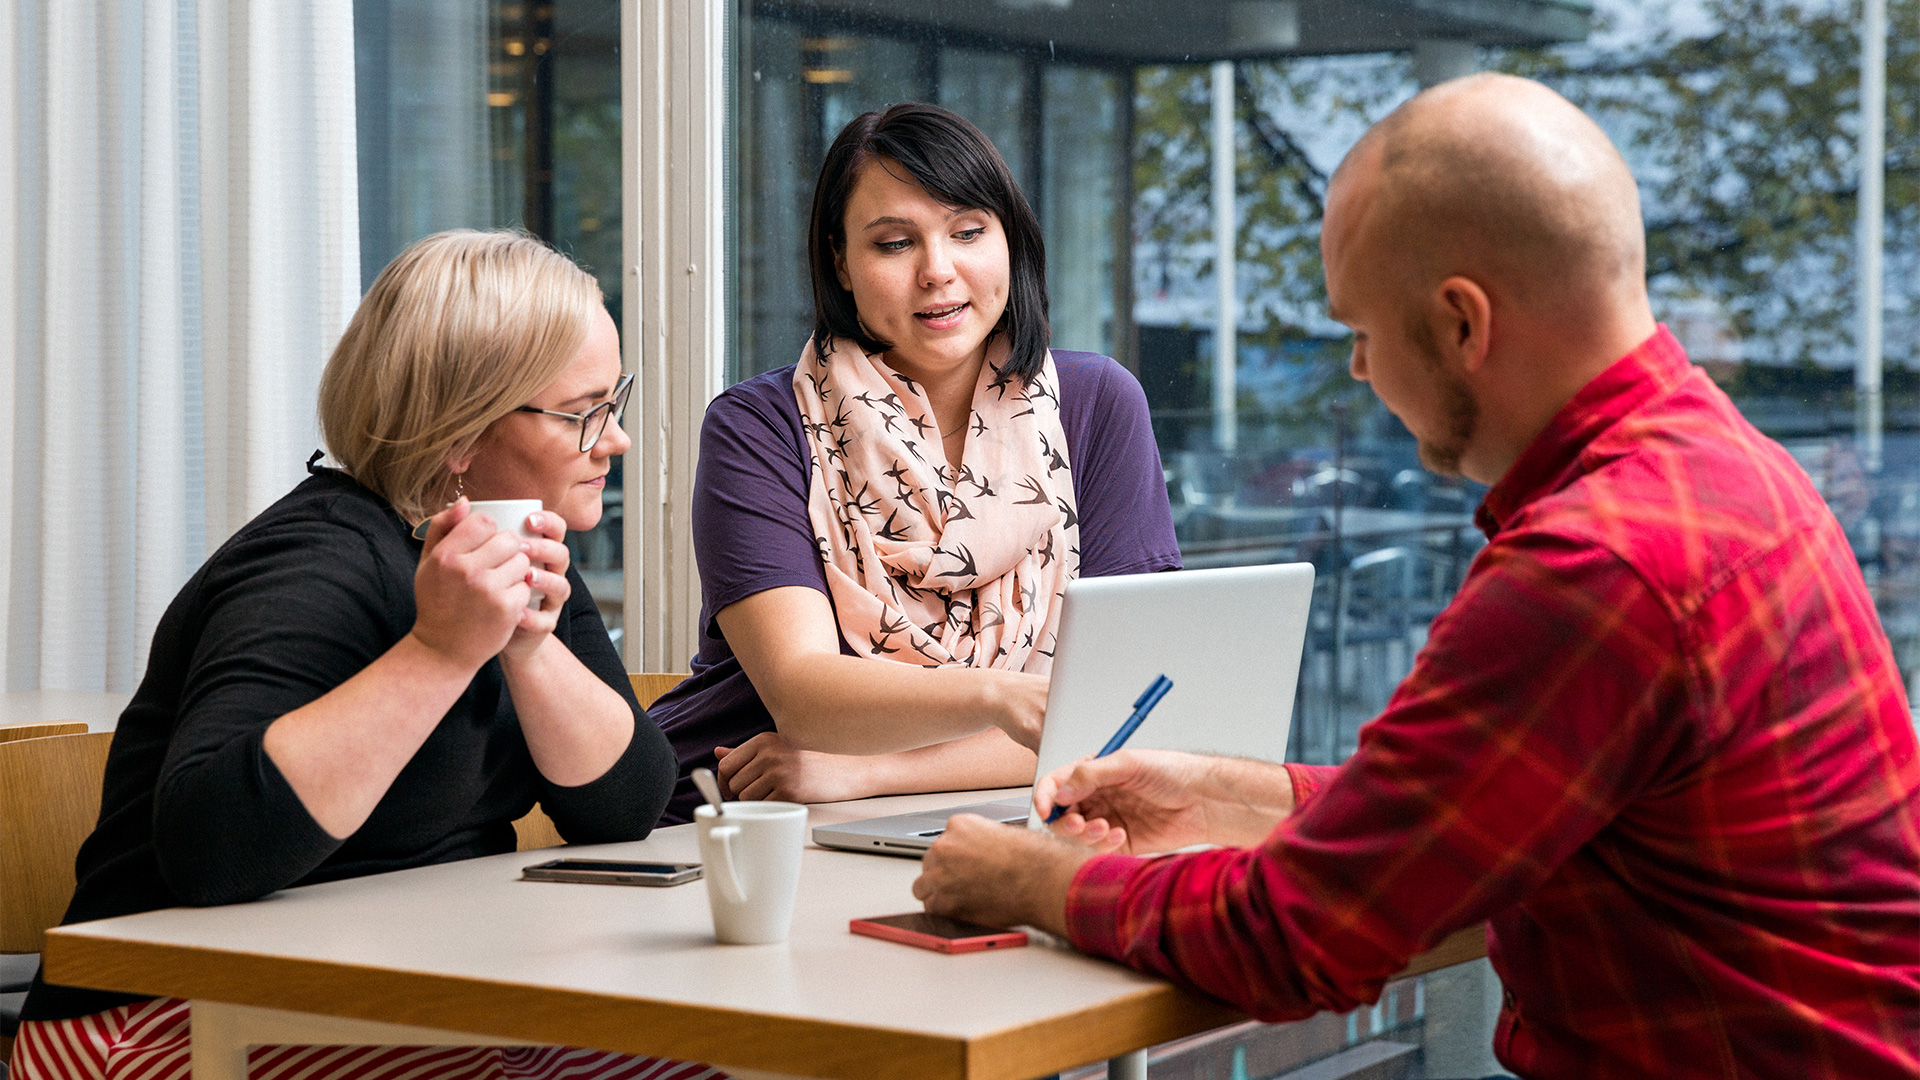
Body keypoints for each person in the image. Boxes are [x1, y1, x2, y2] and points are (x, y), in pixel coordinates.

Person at [911, 74, 1920, 1079]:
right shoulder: (1723, 471)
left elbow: (1300, 938)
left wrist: (1036, 881)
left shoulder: (1595, 564)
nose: (1357, 372)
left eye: (1360, 333)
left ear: (1461, 325)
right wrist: (1232, 795)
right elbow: (1483, 803)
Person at [10, 231, 720, 1080]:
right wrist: (439, 653)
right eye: (586, 413)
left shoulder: (505, 545)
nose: (617, 441)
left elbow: (625, 808)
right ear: (461, 432)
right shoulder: (314, 564)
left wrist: (528, 650)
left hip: (389, 990)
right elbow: (211, 847)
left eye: (616, 402)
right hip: (154, 1019)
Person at [649, 103, 1178, 822]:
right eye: (895, 244)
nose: (938, 271)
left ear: (1010, 243)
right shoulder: (760, 427)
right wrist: (1001, 697)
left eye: (968, 232)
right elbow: (804, 697)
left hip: (1006, 813)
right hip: (746, 821)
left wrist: (869, 775)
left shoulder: (1098, 406)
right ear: (839, 260)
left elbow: (1125, 711)